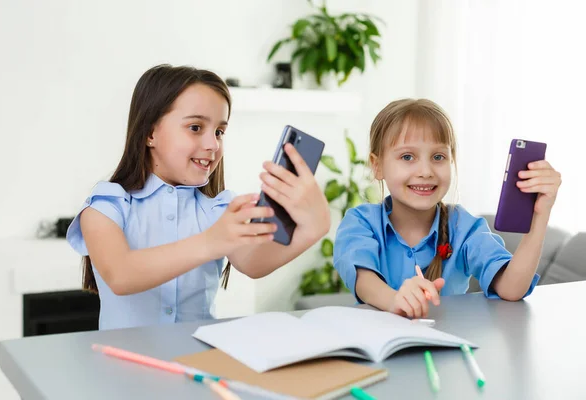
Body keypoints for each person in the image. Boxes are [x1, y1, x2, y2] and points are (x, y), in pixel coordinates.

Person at [66, 64, 330, 330]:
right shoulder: (107, 204)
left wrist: (315, 225)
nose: (213, 144)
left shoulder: (219, 209)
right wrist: (210, 242)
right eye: (195, 127)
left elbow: (254, 264)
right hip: (121, 368)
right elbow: (120, 274)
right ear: (149, 133)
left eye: (219, 132)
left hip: (199, 364)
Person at [333, 98, 561, 318]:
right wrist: (395, 300)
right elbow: (364, 281)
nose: (426, 170)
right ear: (377, 165)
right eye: (407, 156)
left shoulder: (465, 227)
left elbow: (512, 289)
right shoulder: (360, 222)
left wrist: (540, 215)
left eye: (438, 156)